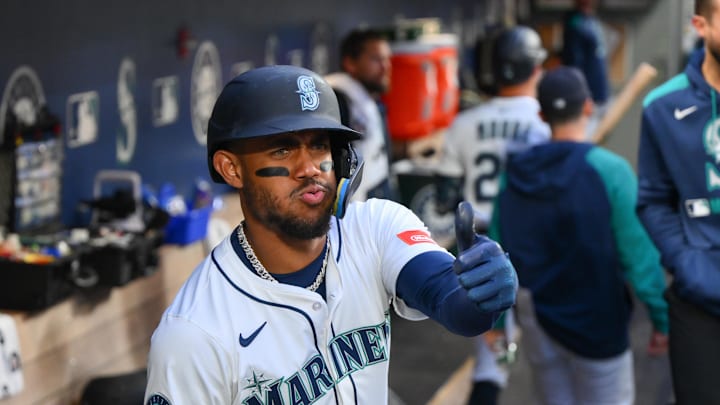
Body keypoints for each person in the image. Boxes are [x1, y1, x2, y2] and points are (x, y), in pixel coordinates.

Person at [144, 65, 519, 405]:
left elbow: (452, 303)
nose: (309, 168)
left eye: (319, 145)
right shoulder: (193, 334)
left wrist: (481, 292)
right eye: (283, 148)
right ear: (231, 169)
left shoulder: (374, 227)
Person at [491, 66, 669, 405]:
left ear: (542, 114)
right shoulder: (610, 170)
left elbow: (498, 254)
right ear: (588, 106)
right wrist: (661, 318)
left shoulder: (515, 174)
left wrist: (497, 322)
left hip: (537, 317)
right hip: (598, 320)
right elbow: (640, 258)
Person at [434, 25, 551, 405]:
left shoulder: (464, 122)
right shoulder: (546, 121)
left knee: (490, 364)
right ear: (534, 68)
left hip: (478, 248)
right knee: (553, 362)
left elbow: (444, 197)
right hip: (536, 248)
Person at [637, 1, 720, 402]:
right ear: (701, 25)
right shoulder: (662, 107)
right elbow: (653, 201)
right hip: (700, 298)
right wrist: (689, 265)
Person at [325, 28, 396, 201]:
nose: (385, 66)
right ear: (350, 63)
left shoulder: (372, 101)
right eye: (376, 59)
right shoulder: (337, 101)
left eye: (387, 59)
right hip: (353, 209)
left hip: (378, 194)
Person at [561, 0, 611, 139]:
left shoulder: (592, 20)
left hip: (599, 97)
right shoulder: (575, 22)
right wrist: (580, 97)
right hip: (586, 101)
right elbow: (574, 64)